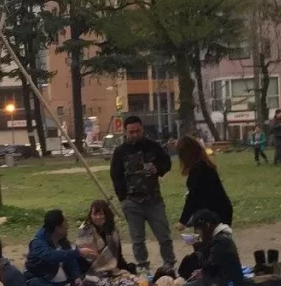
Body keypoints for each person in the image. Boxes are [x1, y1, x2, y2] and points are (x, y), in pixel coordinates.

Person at [110, 115, 175, 272]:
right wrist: (123, 199)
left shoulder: (153, 146)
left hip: (154, 200)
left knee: (164, 236)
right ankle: (143, 267)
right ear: (125, 132)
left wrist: (157, 168)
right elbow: (115, 175)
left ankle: (169, 263)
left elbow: (167, 163)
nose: (135, 134)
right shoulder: (120, 152)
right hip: (132, 202)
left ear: (142, 130)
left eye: (138, 131)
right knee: (137, 239)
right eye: (131, 132)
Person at [179, 210, 248, 286]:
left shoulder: (221, 242)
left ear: (207, 226)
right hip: (216, 280)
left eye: (198, 229)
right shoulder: (216, 239)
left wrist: (198, 248)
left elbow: (209, 267)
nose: (197, 233)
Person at [25, 209, 84, 286]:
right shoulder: (37, 243)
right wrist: (78, 252)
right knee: (35, 284)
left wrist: (76, 276)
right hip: (46, 283)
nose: (68, 226)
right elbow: (51, 255)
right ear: (57, 228)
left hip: (64, 283)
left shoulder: (63, 240)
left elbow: (70, 260)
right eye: (66, 223)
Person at [177, 135, 233, 229]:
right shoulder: (205, 165)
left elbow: (192, 198)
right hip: (221, 209)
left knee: (211, 241)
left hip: (213, 214)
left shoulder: (198, 170)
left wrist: (183, 221)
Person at [76, 200, 133, 276]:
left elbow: (118, 255)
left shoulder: (112, 231)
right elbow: (86, 259)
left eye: (101, 214)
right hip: (91, 269)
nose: (98, 217)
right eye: (95, 214)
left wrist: (125, 270)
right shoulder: (85, 231)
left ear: (106, 215)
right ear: (91, 215)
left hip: (113, 267)